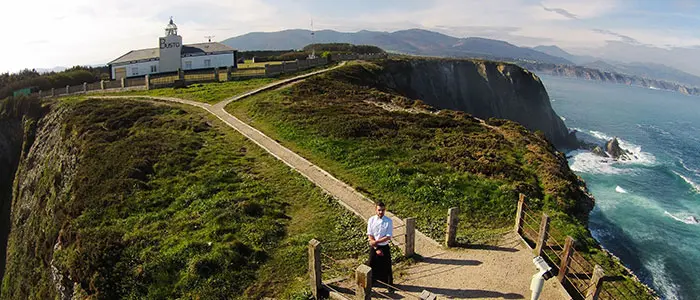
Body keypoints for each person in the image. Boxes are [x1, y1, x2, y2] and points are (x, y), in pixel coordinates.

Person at [367, 201, 394, 293]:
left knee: (387, 266)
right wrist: (376, 247)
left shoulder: (389, 221)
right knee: (371, 264)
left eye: (382, 210)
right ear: (376, 210)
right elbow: (370, 234)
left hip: (384, 246)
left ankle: (390, 286)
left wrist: (376, 242)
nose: (380, 212)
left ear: (385, 210)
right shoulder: (371, 220)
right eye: (379, 210)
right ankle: (370, 283)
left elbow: (388, 236)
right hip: (374, 247)